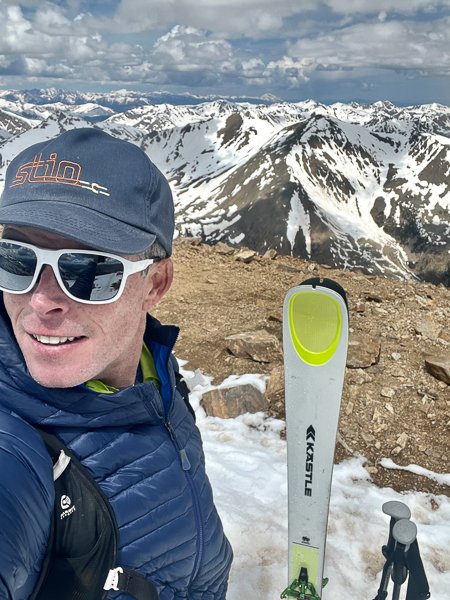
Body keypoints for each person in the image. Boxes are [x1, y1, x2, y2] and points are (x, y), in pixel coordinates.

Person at [0, 127, 233, 600]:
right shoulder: (17, 447)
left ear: (155, 283)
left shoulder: (153, 368)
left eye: (88, 270)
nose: (42, 300)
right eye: (16, 259)